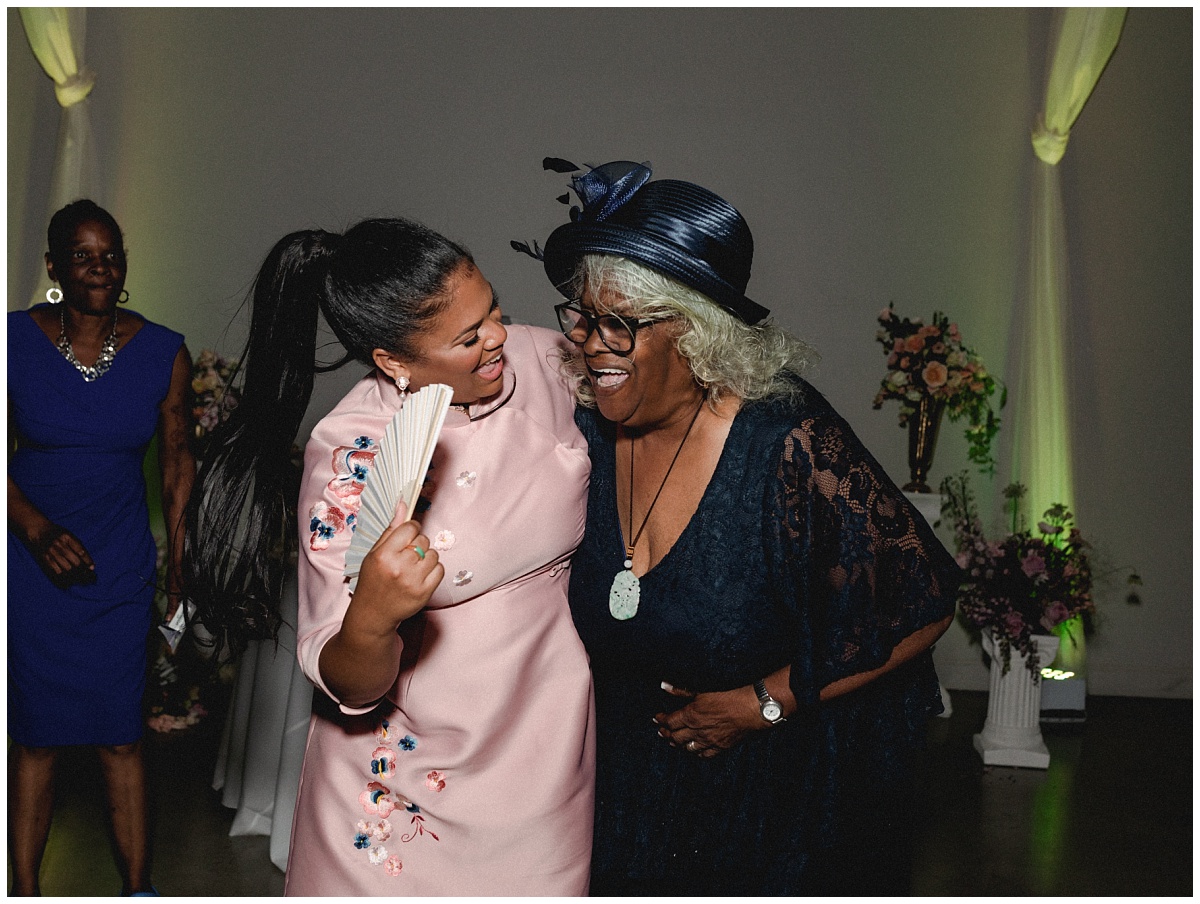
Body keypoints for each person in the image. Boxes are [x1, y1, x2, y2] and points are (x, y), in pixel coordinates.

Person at [531, 160, 959, 895]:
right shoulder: (587, 430)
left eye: (619, 324)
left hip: (769, 799)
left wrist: (765, 702)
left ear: (697, 335)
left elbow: (921, 602)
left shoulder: (783, 439)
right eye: (581, 316)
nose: (589, 343)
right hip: (625, 785)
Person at [184, 217, 594, 895]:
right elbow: (349, 682)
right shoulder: (352, 454)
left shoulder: (539, 359)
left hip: (544, 751)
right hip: (408, 779)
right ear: (395, 363)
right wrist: (373, 615)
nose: (497, 337)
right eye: (468, 338)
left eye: (494, 308)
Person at [8, 199, 194, 896]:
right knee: (36, 737)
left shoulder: (162, 350)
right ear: (54, 266)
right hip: (29, 563)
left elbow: (178, 463)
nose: (100, 268)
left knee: (121, 735)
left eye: (111, 254)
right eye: (82, 255)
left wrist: (179, 566)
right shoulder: (11, 340)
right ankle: (23, 891)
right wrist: (34, 527)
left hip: (116, 564)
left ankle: (138, 892)